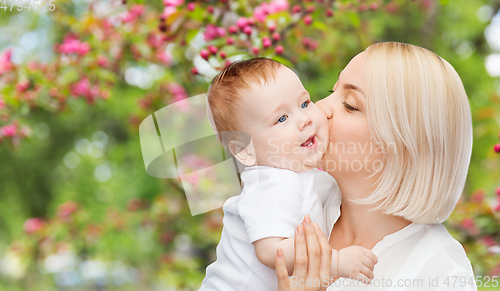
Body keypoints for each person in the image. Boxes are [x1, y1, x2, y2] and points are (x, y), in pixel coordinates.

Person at [275, 41, 477, 291]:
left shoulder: (440, 272)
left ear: (405, 147)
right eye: (332, 91)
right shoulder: (292, 198)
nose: (320, 108)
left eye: (350, 105)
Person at [199, 58, 377, 291]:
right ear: (244, 150)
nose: (305, 120)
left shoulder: (298, 174)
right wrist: (336, 262)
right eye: (281, 118)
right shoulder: (273, 183)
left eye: (304, 103)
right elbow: (272, 251)